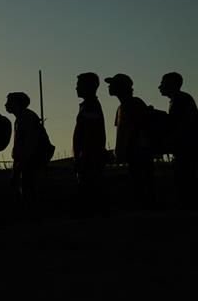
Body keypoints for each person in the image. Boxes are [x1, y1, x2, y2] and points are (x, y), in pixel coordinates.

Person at [107, 73, 155, 209]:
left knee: (142, 185)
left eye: (113, 84)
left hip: (139, 153)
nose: (109, 87)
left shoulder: (132, 105)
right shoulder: (124, 107)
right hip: (136, 153)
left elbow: (128, 131)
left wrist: (121, 151)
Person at [158, 72, 198, 209]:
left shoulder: (181, 100)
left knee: (185, 177)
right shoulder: (181, 99)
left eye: (163, 83)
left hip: (186, 148)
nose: (159, 87)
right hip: (186, 147)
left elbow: (179, 124)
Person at [5, 92, 46, 220]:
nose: (6, 105)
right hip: (26, 161)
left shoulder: (26, 118)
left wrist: (20, 163)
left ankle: (31, 218)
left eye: (9, 102)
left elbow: (29, 143)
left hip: (29, 161)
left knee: (29, 190)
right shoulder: (22, 118)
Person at [72, 72, 108, 218]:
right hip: (88, 158)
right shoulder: (89, 106)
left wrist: (82, 157)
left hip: (89, 159)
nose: (76, 88)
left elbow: (89, 135)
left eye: (79, 85)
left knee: (90, 191)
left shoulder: (90, 106)